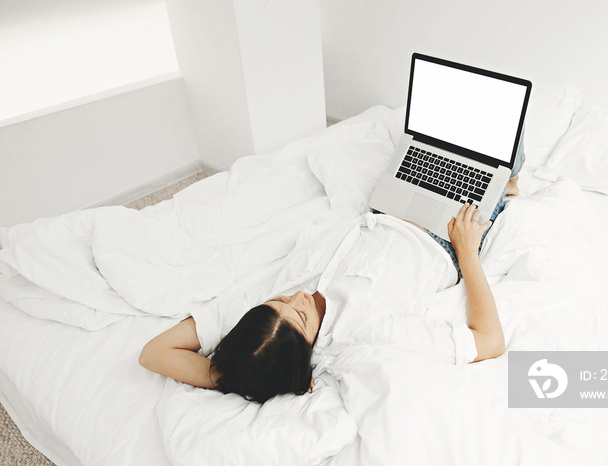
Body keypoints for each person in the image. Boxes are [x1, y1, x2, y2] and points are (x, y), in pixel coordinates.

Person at [140, 136, 525, 404]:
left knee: (435, 129)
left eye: (281, 301)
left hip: (385, 209)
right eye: (302, 315)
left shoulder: (262, 324)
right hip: (446, 235)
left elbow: (154, 352)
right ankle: (507, 186)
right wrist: (468, 253)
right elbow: (489, 341)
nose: (299, 297)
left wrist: (225, 373)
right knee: (505, 139)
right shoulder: (365, 333)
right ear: (307, 351)